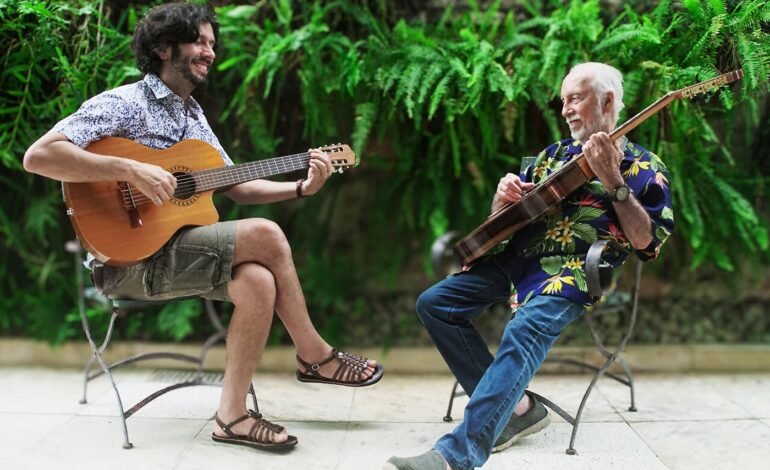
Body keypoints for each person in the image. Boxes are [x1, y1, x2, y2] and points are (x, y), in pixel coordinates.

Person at [24, 2, 383, 452]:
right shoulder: (123, 103)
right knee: (266, 234)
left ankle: (231, 417)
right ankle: (314, 355)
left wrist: (300, 188)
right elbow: (38, 156)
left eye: (212, 43)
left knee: (257, 282)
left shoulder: (193, 117)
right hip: (129, 262)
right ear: (163, 47)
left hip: (176, 252)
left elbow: (237, 185)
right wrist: (130, 169)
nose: (210, 51)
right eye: (199, 41)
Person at [385, 62, 674, 469]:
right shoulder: (550, 157)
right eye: (563, 101)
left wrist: (613, 181)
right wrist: (500, 202)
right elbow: (504, 226)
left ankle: (456, 456)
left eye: (575, 98)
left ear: (607, 101)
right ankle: (518, 410)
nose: (566, 109)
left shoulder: (644, 166)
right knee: (435, 304)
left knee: (523, 330)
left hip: (574, 272)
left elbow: (646, 242)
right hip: (516, 262)